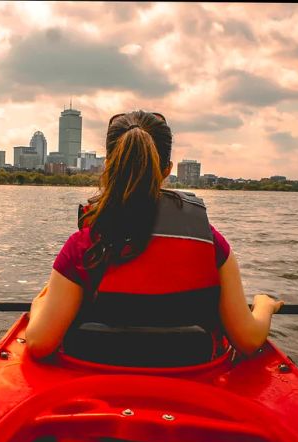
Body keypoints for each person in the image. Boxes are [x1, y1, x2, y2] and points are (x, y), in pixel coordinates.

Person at [26, 110, 283, 361]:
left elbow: (39, 343)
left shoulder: (83, 245)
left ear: (108, 166)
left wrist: (39, 306)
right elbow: (248, 340)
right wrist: (263, 305)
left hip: (100, 390)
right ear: (167, 169)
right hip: (190, 386)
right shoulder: (210, 242)